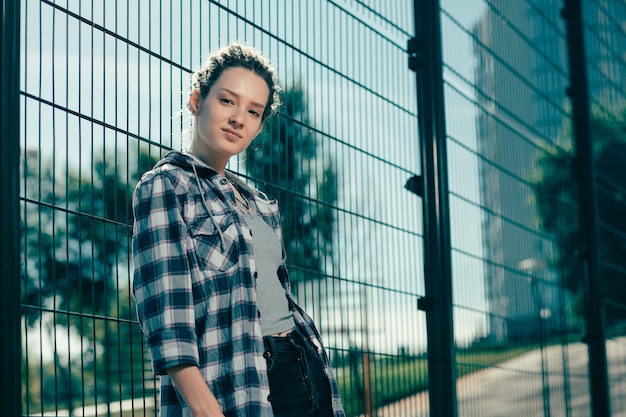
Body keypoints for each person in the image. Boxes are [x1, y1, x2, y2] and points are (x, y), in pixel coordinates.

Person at [132, 43, 345, 417]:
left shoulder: (259, 203)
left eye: (253, 111)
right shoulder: (166, 186)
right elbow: (169, 327)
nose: (238, 118)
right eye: (228, 101)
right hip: (239, 378)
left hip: (303, 364)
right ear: (197, 101)